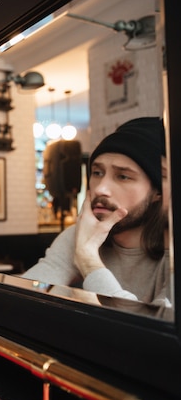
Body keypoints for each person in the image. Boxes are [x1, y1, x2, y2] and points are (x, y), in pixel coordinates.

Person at [23, 117, 171, 307]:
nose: (101, 188)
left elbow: (151, 333)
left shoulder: (172, 252)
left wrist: (88, 260)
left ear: (157, 192)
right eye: (97, 173)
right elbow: (23, 297)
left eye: (123, 176)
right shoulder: (80, 235)